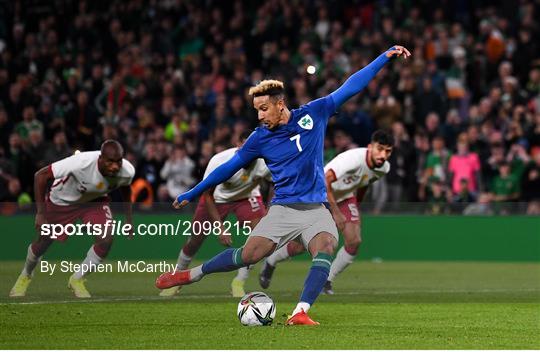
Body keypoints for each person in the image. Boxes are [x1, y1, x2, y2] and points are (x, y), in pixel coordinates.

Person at [156, 45, 411, 325]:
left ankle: (300, 312)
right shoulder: (258, 138)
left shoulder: (315, 113)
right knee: (248, 255)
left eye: (264, 109)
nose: (260, 116)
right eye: (256, 110)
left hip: (315, 208)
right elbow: (230, 167)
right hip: (283, 209)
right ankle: (191, 275)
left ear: (280, 104)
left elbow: (351, 86)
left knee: (326, 245)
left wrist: (383, 57)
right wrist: (194, 191)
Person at [258, 130, 393, 294]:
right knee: (301, 246)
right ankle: (271, 260)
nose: (383, 155)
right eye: (380, 149)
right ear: (370, 147)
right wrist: (335, 212)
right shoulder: (352, 159)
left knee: (354, 240)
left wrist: (356, 205)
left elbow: (364, 181)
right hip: (318, 194)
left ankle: (327, 280)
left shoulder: (383, 168)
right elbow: (325, 181)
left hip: (344, 196)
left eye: (388, 151)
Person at [9, 140, 135, 298]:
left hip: (94, 202)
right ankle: (26, 275)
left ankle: (77, 279)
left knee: (106, 238)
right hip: (62, 201)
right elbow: (40, 176)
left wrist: (129, 219)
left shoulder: (127, 171)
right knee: (43, 243)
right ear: (100, 158)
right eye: (110, 161)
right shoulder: (80, 163)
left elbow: (125, 188)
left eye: (118, 162)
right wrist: (40, 213)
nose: (115, 166)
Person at [160, 131, 272, 298]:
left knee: (260, 236)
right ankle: (177, 280)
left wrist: (270, 209)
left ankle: (239, 282)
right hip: (216, 199)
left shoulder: (265, 161)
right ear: (238, 145)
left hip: (248, 197)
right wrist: (220, 228)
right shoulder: (220, 160)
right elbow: (207, 194)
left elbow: (274, 184)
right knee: (194, 240)